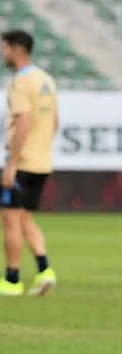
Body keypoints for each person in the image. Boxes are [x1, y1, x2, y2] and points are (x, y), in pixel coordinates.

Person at [0, 30, 58, 296]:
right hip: (41, 161)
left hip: (22, 162)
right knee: (25, 219)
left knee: (10, 219)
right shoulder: (46, 79)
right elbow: (55, 121)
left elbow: (23, 120)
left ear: (17, 49)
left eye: (5, 47)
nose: (3, 52)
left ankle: (11, 280)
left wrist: (12, 164)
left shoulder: (21, 83)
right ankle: (45, 270)